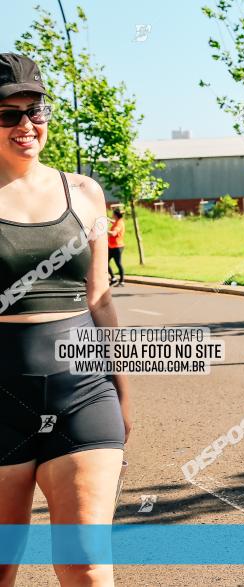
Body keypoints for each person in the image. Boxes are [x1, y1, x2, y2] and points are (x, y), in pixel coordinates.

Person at [0, 53, 132, 586]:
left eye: (36, 111)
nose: (26, 125)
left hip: (84, 395)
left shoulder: (84, 192)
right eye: (8, 115)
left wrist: (122, 393)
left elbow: (99, 297)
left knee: (87, 566)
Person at [107, 208, 125, 287]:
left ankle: (122, 281)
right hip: (111, 246)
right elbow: (113, 222)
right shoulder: (117, 221)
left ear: (116, 215)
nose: (112, 214)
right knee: (105, 263)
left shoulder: (119, 224)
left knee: (118, 264)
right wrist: (107, 219)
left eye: (113, 213)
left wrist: (104, 230)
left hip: (117, 247)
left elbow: (113, 233)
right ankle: (113, 279)